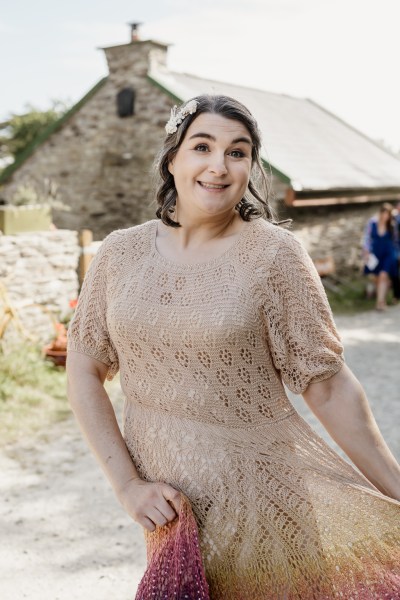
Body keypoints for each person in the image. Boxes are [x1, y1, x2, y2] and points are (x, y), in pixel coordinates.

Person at [67, 95, 400, 599]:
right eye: (202, 146)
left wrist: (397, 490)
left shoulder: (274, 255)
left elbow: (328, 387)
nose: (218, 166)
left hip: (267, 502)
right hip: (171, 513)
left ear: (251, 165)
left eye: (237, 152)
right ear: (172, 158)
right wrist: (127, 486)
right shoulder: (119, 253)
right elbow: (83, 368)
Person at [362, 203, 398, 309]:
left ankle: (380, 302)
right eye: (384, 213)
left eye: (388, 214)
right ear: (381, 213)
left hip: (388, 253)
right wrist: (366, 251)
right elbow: (367, 238)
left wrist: (396, 254)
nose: (385, 216)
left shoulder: (392, 225)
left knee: (383, 275)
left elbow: (395, 240)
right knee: (378, 278)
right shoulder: (372, 223)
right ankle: (382, 301)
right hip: (376, 253)